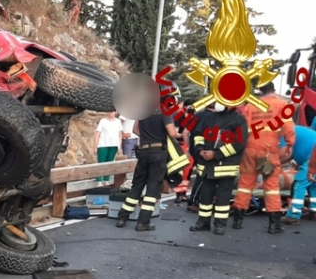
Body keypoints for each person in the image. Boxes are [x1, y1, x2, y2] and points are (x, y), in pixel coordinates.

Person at [233, 82, 295, 233]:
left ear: (260, 91)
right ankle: (274, 224)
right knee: (271, 186)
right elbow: (288, 127)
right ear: (274, 90)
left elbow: (242, 128)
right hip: (268, 151)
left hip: (249, 149)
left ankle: (237, 220)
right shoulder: (281, 105)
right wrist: (290, 144)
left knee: (245, 184)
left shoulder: (250, 106)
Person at [115, 86, 179, 231]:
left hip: (143, 151)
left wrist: (147, 137)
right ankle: (143, 222)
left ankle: (122, 218)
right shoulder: (164, 110)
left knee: (137, 185)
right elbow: (172, 133)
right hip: (158, 152)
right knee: (152, 187)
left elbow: (134, 129)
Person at [188, 103, 248, 235]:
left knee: (223, 197)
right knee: (205, 195)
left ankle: (220, 224)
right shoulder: (209, 118)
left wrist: (216, 154)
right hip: (207, 165)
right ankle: (203, 222)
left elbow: (239, 143)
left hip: (226, 166)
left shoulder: (239, 120)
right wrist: (200, 150)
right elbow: (197, 134)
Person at [280, 125, 316, 225]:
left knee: (299, 185)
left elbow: (285, 153)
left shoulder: (284, 132)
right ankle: (314, 211)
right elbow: (290, 154)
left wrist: (272, 164)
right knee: (313, 185)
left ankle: (293, 216)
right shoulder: (295, 129)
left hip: (312, 159)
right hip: (311, 157)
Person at [95, 111, 123, 184]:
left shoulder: (118, 121)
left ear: (115, 112)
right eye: (109, 111)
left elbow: (120, 135)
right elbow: (97, 134)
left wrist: (119, 146)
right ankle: (99, 180)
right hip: (103, 144)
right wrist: (95, 147)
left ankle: (106, 179)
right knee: (101, 162)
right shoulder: (103, 121)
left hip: (114, 144)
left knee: (110, 162)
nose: (110, 113)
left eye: (112, 111)